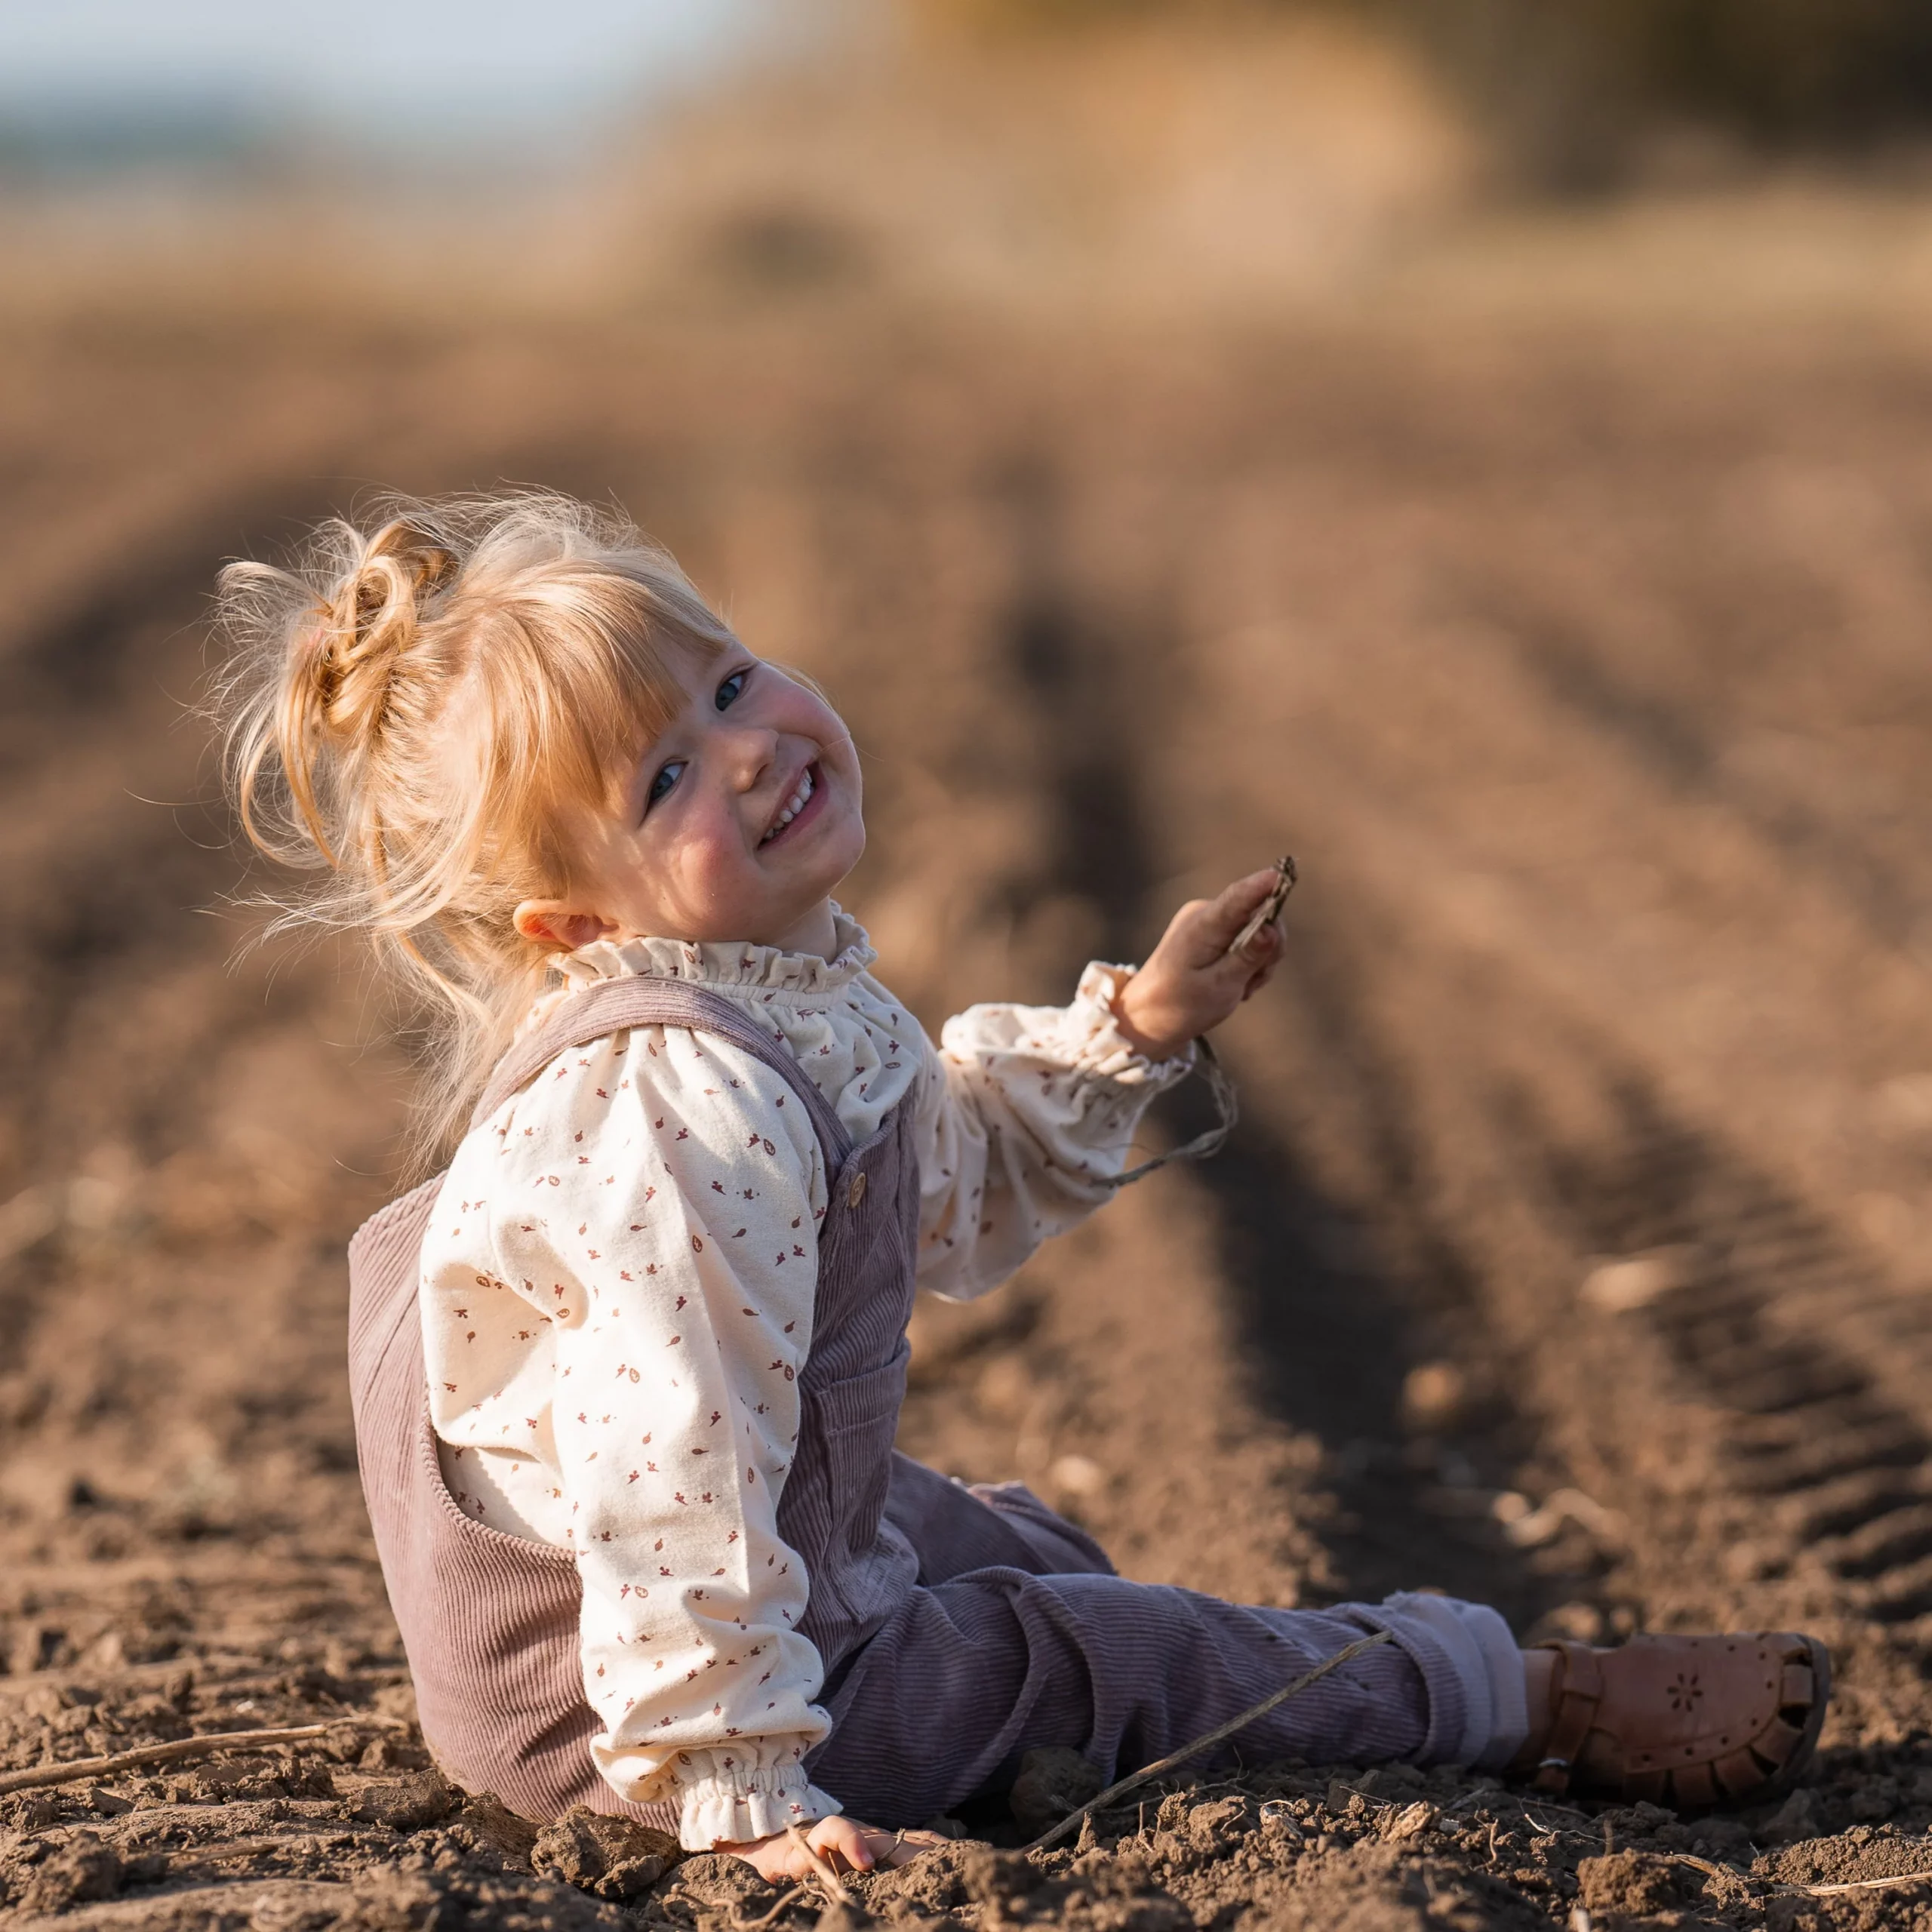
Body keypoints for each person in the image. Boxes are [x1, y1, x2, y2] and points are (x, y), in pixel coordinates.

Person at [214, 492, 1829, 1884]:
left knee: (1008, 1536)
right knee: (1107, 1653)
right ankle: (1503, 1693)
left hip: (691, 1598)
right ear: (569, 926)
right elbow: (669, 1457)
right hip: (625, 1713)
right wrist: (736, 1789)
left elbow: (928, 1183)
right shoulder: (669, 1105)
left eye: (725, 683)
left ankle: (1073, 1666)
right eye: (660, 782)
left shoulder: (763, 1002)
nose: (750, 752)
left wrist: (1125, 1034)